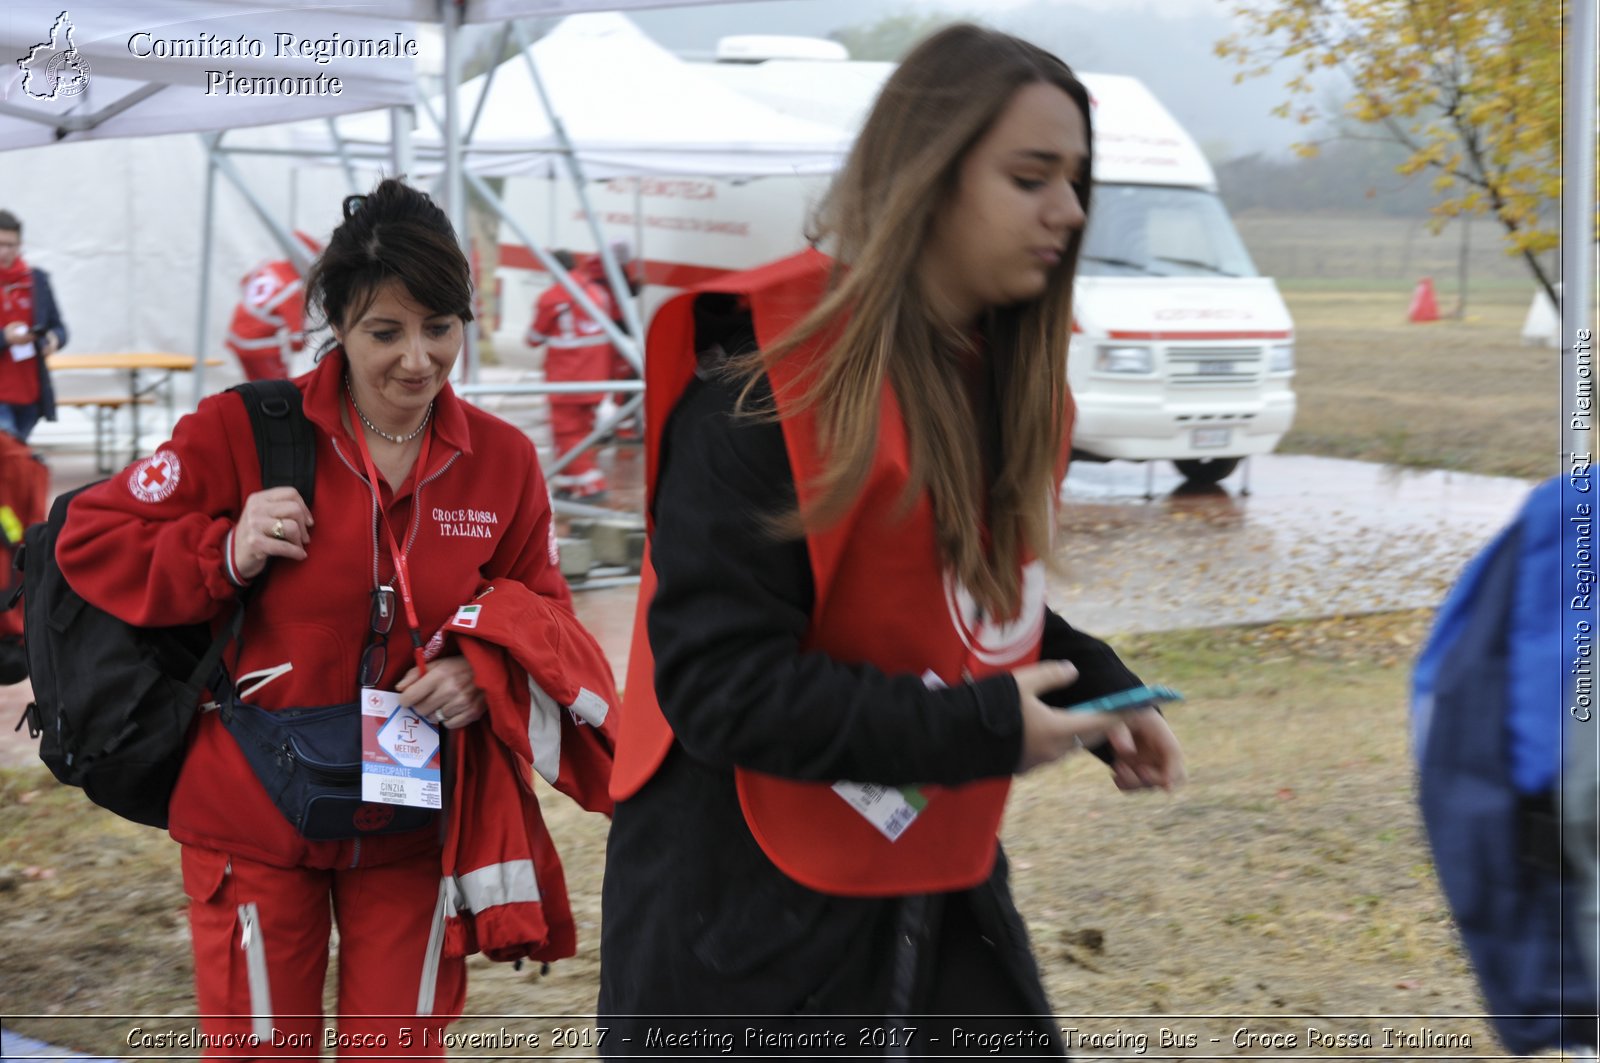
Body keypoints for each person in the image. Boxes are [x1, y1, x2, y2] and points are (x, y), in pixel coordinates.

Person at [598, 23, 1185, 1049]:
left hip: (926, 864)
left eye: (1075, 179)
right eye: (1030, 177)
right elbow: (719, 681)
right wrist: (987, 728)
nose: (1069, 211)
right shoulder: (758, 387)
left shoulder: (997, 378)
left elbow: (941, 599)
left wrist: (1089, 679)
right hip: (740, 908)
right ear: (926, 177)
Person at [56, 179, 612, 1052]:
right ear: (340, 330)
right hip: (250, 809)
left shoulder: (503, 461)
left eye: (440, 327)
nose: (417, 360)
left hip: (415, 820)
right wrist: (224, 551)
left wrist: (481, 670)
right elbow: (90, 538)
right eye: (384, 332)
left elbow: (546, 609)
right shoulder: (246, 429)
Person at [526, 250, 619, 500]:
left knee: (566, 433)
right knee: (581, 432)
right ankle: (567, 483)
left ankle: (591, 485)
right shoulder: (598, 293)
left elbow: (533, 339)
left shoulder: (553, 297)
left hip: (566, 379)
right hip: (596, 378)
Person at [0, 209, 67, 442]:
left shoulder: (36, 280)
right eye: (0, 244)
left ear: (20, 245)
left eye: (11, 245)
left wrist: (52, 340)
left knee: (15, 464)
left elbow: (59, 327)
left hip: (30, 391)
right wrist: (4, 338)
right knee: (8, 461)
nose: (5, 252)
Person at [224, 232, 321, 382]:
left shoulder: (269, 265)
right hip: (259, 344)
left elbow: (244, 282)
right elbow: (297, 338)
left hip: (236, 333)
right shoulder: (294, 288)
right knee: (279, 390)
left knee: (252, 388)